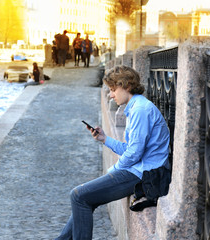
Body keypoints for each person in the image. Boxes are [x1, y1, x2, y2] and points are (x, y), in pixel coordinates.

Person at [54, 65, 171, 240]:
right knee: (85, 198)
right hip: (140, 168)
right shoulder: (135, 107)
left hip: (144, 174)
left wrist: (114, 169)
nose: (111, 95)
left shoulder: (140, 110)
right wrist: (105, 139)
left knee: (79, 196)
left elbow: (134, 154)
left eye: (113, 89)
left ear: (127, 86)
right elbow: (132, 148)